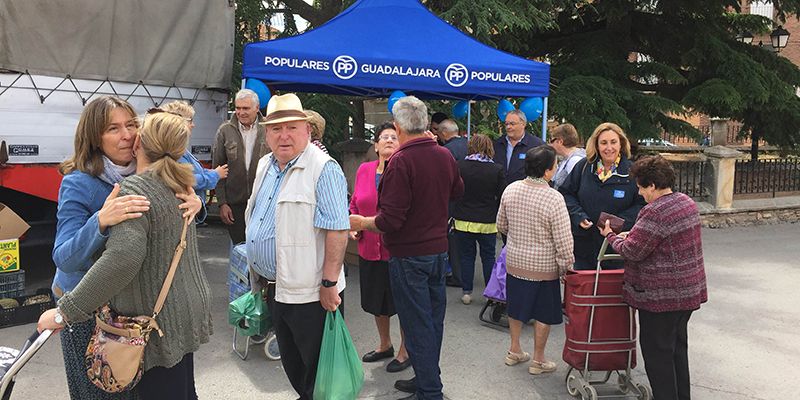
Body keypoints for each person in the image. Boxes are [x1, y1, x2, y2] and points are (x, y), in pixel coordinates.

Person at [40, 111, 212, 400]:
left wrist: (197, 204)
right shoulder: (80, 182)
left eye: (131, 126)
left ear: (141, 140)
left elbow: (125, 257)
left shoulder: (152, 179)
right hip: (90, 308)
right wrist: (99, 221)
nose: (126, 135)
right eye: (113, 128)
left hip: (141, 320)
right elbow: (65, 258)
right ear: (94, 137)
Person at [350, 96, 464, 400]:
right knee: (431, 321)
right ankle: (427, 379)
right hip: (437, 251)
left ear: (399, 128)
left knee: (417, 324)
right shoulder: (442, 155)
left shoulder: (401, 161)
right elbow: (458, 190)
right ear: (425, 124)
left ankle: (430, 390)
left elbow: (390, 220)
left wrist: (361, 222)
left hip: (410, 255)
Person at [244, 93, 349, 400]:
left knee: (319, 375)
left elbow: (338, 229)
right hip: (275, 287)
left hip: (312, 293)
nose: (284, 135)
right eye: (276, 129)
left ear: (307, 130)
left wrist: (329, 283)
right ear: (266, 134)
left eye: (291, 127)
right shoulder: (265, 165)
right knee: (294, 366)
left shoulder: (323, 168)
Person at [599, 155, 707, 400]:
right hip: (687, 293)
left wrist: (610, 235)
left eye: (641, 187)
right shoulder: (686, 202)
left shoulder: (654, 211)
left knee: (658, 357)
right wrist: (633, 234)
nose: (639, 193)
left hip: (660, 298)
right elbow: (659, 238)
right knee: (677, 351)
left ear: (652, 185)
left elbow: (632, 251)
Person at [496, 145, 573, 376]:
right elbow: (563, 240)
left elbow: (501, 224)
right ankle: (538, 359)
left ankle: (514, 350)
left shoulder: (511, 189)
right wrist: (566, 267)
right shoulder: (554, 198)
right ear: (548, 171)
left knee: (515, 307)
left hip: (515, 262)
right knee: (543, 312)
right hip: (543, 267)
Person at [349, 122, 410, 373]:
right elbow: (355, 203)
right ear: (375, 145)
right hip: (369, 249)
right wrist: (354, 225)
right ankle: (385, 344)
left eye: (394, 137)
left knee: (403, 303)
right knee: (377, 301)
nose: (389, 140)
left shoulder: (405, 169)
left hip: (398, 250)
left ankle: (405, 350)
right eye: (384, 137)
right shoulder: (364, 170)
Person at [558, 122, 645, 270]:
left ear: (621, 144)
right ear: (596, 145)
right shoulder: (583, 167)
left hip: (617, 248)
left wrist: (617, 223)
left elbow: (643, 205)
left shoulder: (633, 172)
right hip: (584, 247)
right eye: (603, 143)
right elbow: (566, 194)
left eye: (613, 142)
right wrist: (578, 215)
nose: (609, 148)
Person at [451, 134, 505, 305]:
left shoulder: (459, 166)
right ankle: (490, 293)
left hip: (463, 220)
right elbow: (502, 195)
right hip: (488, 221)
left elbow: (453, 191)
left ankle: (467, 292)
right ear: (490, 148)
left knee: (466, 256)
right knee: (488, 257)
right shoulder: (496, 169)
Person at [212, 89, 270, 244]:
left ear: (257, 108)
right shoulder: (225, 130)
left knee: (260, 249)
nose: (241, 112)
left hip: (262, 203)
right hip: (235, 204)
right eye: (238, 108)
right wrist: (222, 203)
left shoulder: (268, 129)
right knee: (239, 248)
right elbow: (218, 168)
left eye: (246, 108)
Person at [162, 100, 229, 223]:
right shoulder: (173, 151)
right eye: (190, 120)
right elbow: (187, 178)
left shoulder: (179, 148)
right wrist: (215, 175)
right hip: (181, 216)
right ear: (178, 122)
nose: (193, 125)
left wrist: (212, 172)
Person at [493, 109, 546, 186]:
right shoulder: (497, 144)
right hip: (500, 191)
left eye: (512, 124)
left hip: (525, 191)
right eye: (506, 124)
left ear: (523, 124)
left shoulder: (537, 145)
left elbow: (545, 172)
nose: (508, 127)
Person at [548, 123, 586, 190]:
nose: (550, 144)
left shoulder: (574, 161)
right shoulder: (566, 158)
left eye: (552, 141)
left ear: (560, 142)